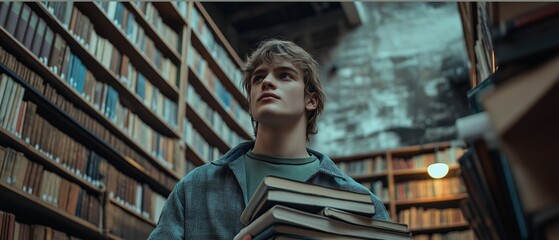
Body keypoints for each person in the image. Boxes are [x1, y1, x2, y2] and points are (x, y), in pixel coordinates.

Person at [148, 39, 390, 239]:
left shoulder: (361, 203)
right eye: (258, 78)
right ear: (251, 105)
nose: (267, 82)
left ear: (311, 100)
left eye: (284, 75)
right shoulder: (195, 187)